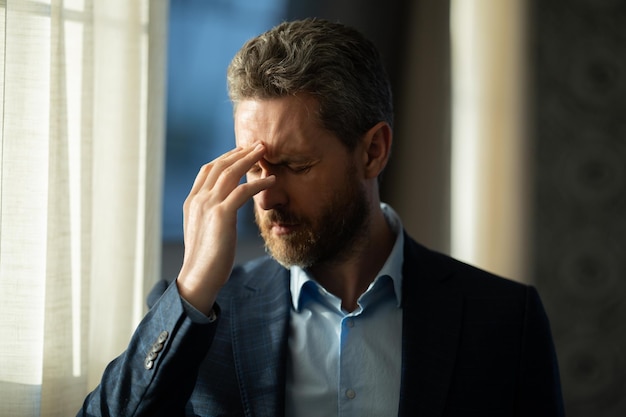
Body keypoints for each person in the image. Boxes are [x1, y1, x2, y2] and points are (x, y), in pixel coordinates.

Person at [79, 17, 564, 417]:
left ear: (372, 152)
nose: (265, 198)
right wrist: (192, 289)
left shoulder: (503, 320)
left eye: (294, 166)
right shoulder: (199, 313)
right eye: (254, 168)